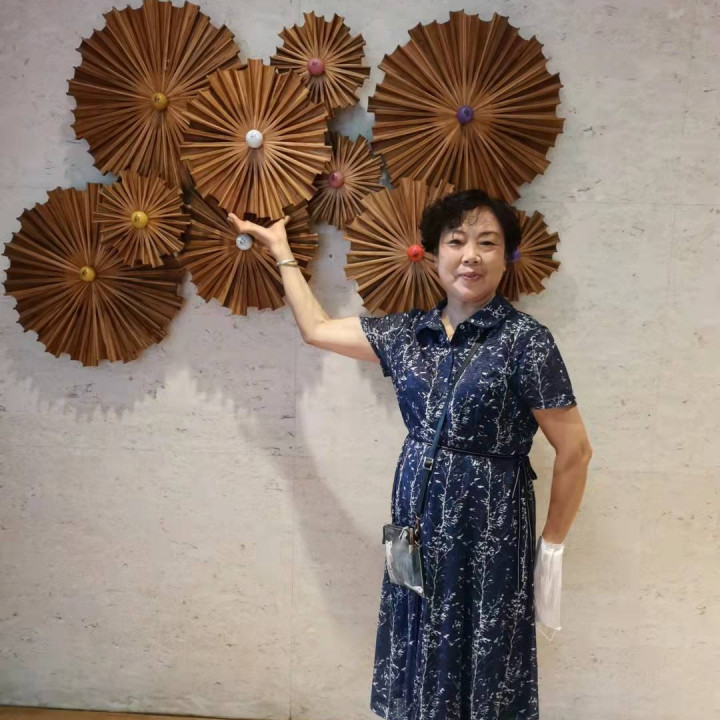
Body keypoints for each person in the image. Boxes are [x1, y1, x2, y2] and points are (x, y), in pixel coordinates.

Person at [229, 189, 592, 720]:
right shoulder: (407, 335)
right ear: (435, 253)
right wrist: (282, 250)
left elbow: (575, 450)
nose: (470, 256)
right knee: (415, 633)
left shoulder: (526, 342)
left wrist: (551, 548)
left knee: (483, 649)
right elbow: (317, 329)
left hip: (488, 529)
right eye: (457, 242)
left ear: (506, 257)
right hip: (414, 524)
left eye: (487, 243)